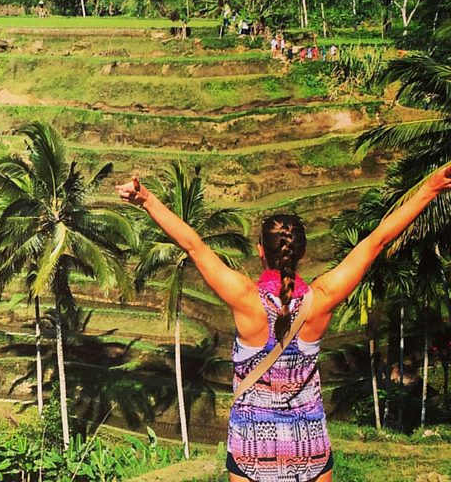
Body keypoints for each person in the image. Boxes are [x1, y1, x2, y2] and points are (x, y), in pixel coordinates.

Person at [116, 163, 451, 482]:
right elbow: (377, 241)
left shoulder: (245, 298)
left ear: (261, 250)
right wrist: (430, 188)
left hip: (251, 445)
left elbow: (193, 244)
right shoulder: (321, 297)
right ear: (301, 252)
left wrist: (146, 198)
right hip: (310, 444)